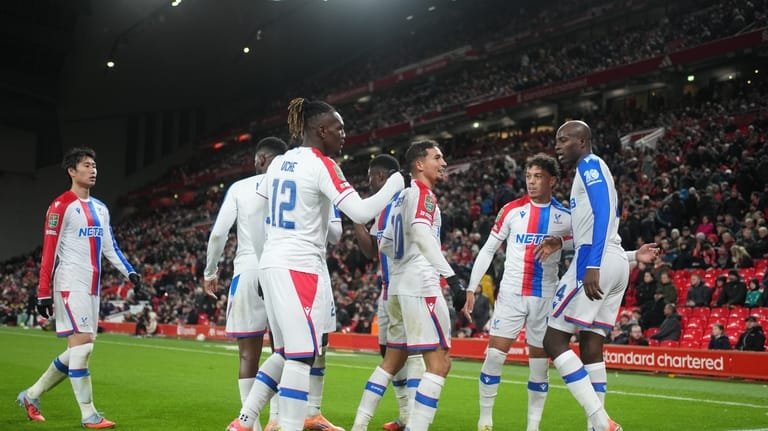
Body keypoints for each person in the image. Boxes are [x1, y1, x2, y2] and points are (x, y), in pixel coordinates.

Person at [227, 98, 404, 431]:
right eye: (338, 128)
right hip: (300, 267)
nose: (344, 134)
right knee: (301, 356)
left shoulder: (279, 162)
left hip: (273, 262)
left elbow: (257, 209)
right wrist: (395, 184)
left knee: (283, 352)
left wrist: (266, 252)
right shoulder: (322, 165)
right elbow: (362, 213)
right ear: (321, 130)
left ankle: (244, 421)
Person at [351, 140, 474, 431]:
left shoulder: (396, 199)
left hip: (395, 287)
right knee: (440, 363)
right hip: (420, 284)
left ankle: (359, 426)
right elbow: (420, 233)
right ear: (419, 164)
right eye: (437, 157)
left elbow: (384, 246)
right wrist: (453, 279)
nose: (443, 163)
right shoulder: (422, 195)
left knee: (392, 362)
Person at [17, 147, 142, 429]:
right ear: (72, 171)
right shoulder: (60, 206)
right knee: (83, 349)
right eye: (87, 165)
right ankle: (89, 414)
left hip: (92, 288)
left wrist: (130, 272)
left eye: (95, 165)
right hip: (69, 284)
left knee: (80, 349)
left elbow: (110, 246)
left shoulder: (101, 208)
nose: (93, 169)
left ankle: (32, 395)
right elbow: (48, 252)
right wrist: (43, 292)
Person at [468, 154, 572, 431]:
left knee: (539, 365)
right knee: (494, 355)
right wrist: (470, 286)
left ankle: (533, 427)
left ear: (552, 180)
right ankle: (485, 420)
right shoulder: (511, 210)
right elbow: (489, 249)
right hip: (512, 294)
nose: (532, 182)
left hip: (545, 296)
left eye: (538, 176)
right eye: (528, 176)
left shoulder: (566, 217)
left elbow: (586, 244)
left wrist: (560, 242)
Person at [542, 120, 627, 431]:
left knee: (553, 340)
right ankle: (597, 427)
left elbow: (604, 210)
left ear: (582, 140)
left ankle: (601, 421)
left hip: (595, 261)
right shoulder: (594, 169)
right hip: (615, 259)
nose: (558, 146)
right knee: (591, 344)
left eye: (564, 140)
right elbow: (603, 219)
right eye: (557, 140)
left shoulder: (589, 165)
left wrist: (592, 264)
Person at [204, 137, 287, 408]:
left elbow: (218, 234)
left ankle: (248, 421)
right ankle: (278, 419)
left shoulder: (241, 187)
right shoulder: (292, 187)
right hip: (284, 271)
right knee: (284, 351)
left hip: (249, 269)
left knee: (247, 355)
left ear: (260, 160)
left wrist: (210, 271)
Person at [352, 154, 425, 431]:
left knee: (414, 354)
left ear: (381, 176)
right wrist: (357, 218)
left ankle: (414, 419)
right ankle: (406, 415)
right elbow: (371, 250)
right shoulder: (381, 209)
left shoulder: (408, 199)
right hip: (388, 291)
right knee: (388, 352)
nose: (369, 181)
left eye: (371, 176)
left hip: (409, 287)